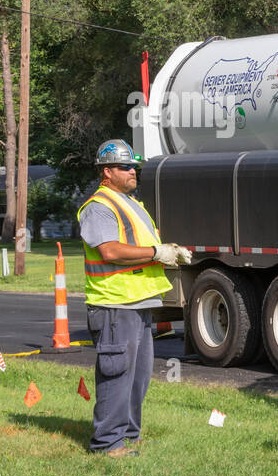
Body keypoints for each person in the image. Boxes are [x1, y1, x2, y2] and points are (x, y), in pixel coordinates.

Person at [76, 140, 192, 457]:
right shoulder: (99, 207)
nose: (133, 171)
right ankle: (107, 443)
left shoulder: (130, 204)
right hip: (114, 304)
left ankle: (129, 435)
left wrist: (168, 252)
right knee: (116, 374)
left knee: (137, 377)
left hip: (138, 304)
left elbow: (139, 248)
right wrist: (157, 252)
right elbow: (110, 251)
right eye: (126, 166)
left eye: (134, 166)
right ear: (107, 171)